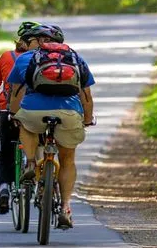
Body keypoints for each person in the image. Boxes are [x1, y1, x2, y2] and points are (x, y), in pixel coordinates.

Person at [7, 25, 95, 230]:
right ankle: (65, 207)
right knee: (67, 160)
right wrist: (87, 119)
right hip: (69, 114)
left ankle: (30, 163)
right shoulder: (75, 58)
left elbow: (16, 93)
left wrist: (14, 115)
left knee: (26, 125)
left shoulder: (24, 59)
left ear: (37, 41)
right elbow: (86, 97)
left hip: (34, 112)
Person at [0, 21, 46, 214]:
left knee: (6, 151)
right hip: (35, 112)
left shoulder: (7, 57)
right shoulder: (43, 59)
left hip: (8, 111)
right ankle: (42, 179)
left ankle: (4, 190)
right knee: (40, 143)